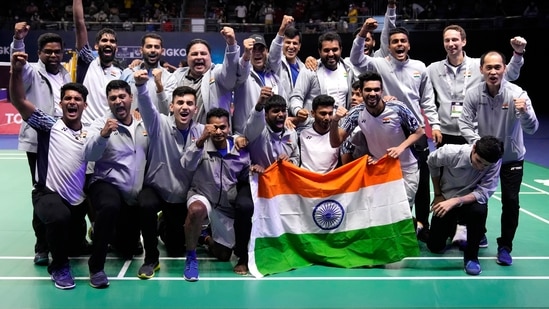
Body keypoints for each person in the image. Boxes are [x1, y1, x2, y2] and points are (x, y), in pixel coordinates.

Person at [426, 25, 526, 247]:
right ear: (443, 43)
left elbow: (508, 75)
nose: (451, 44)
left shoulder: (478, 66)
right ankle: (447, 226)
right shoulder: (433, 69)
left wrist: (517, 55)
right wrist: (433, 123)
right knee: (449, 183)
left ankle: (474, 230)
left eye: (455, 39)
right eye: (447, 40)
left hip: (473, 137)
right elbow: (423, 95)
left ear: (464, 41)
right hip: (445, 133)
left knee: (477, 181)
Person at [350, 22, 438, 242]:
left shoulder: (420, 67)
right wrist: (362, 33)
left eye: (403, 41)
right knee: (391, 179)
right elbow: (356, 59)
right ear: (388, 46)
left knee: (421, 180)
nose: (399, 44)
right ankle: (397, 223)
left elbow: (427, 99)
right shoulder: (378, 64)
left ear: (408, 45)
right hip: (391, 125)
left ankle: (421, 224)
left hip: (415, 129)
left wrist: (434, 125)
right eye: (394, 41)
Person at [10, 51, 89, 289]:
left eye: (77, 99)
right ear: (61, 103)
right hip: (48, 194)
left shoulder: (91, 130)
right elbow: (19, 101)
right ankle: (59, 267)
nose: (72, 102)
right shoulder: (49, 124)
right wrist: (15, 71)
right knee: (57, 217)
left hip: (78, 199)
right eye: (68, 98)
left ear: (85, 104)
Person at [458, 50, 539, 267]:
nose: (493, 72)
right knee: (478, 201)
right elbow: (464, 123)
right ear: (481, 69)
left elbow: (532, 129)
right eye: (489, 67)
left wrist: (525, 113)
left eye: (497, 67)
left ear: (504, 69)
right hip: (485, 159)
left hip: (512, 158)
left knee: (511, 202)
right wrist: (479, 145)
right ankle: (479, 234)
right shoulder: (474, 94)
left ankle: (505, 246)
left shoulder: (518, 93)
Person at [9, 22, 75, 266]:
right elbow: (17, 64)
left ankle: (63, 239)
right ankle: (42, 245)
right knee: (42, 193)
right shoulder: (31, 71)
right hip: (39, 142)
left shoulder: (66, 74)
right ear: (40, 53)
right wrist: (18, 39)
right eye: (48, 51)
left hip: (63, 142)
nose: (53, 55)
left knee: (64, 192)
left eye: (57, 51)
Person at [133, 68, 205, 277]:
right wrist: (140, 86)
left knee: (175, 247)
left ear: (195, 108)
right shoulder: (159, 123)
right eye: (180, 103)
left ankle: (164, 224)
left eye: (189, 103)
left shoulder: (201, 131)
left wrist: (237, 138)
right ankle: (151, 259)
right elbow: (146, 107)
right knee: (145, 203)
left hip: (181, 197)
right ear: (171, 106)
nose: (184, 107)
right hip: (157, 188)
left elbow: (225, 134)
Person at [180, 108, 261, 282]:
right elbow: (186, 164)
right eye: (214, 127)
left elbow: (244, 179)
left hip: (226, 207)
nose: (218, 131)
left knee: (223, 255)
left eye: (222, 127)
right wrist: (201, 139)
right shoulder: (199, 145)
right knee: (196, 210)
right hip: (203, 196)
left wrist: (253, 171)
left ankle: (205, 238)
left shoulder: (240, 149)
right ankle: (191, 258)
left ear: (229, 128)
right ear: (207, 127)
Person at [84, 80, 149, 288]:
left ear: (131, 98)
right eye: (113, 98)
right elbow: (89, 154)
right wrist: (103, 135)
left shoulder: (143, 123)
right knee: (110, 206)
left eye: (122, 97)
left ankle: (104, 231)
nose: (118, 101)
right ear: (108, 102)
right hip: (105, 183)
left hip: (132, 193)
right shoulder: (99, 123)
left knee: (128, 249)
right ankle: (96, 267)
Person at [329, 71, 424, 210]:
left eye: (376, 89)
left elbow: (419, 131)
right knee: (384, 212)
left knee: (403, 212)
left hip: (406, 168)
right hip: (380, 168)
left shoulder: (397, 108)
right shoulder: (357, 113)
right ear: (361, 91)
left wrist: (400, 148)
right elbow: (335, 143)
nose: (372, 93)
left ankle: (416, 228)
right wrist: (335, 121)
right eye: (368, 90)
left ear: (382, 90)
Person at [427, 136, 504, 276]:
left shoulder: (494, 162)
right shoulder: (450, 152)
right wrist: (438, 194)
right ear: (474, 148)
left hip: (470, 200)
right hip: (446, 197)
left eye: (485, 165)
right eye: (478, 161)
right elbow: (432, 163)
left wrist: (456, 201)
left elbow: (483, 192)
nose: (481, 167)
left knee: (479, 210)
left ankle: (471, 257)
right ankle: (455, 228)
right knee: (435, 247)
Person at [232, 15, 293, 135]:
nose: (258, 52)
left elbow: (276, 55)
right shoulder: (242, 75)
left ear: (267, 52)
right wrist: (246, 55)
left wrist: (281, 31)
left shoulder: (273, 76)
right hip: (246, 134)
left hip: (271, 133)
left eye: (261, 49)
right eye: (253, 49)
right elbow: (242, 66)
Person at [172, 27, 242, 124]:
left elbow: (229, 72)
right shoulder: (177, 76)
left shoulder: (217, 73)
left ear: (210, 57)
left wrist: (231, 45)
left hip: (213, 136)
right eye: (194, 54)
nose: (199, 57)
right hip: (182, 136)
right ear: (187, 58)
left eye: (203, 53)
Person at [288, 31, 355, 133]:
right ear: (319, 51)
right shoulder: (310, 70)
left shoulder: (348, 70)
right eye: (326, 50)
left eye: (335, 50)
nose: (331, 54)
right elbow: (296, 96)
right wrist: (298, 110)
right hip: (314, 129)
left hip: (339, 129)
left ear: (341, 49)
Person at [73, 0, 124, 126]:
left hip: (111, 129)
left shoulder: (121, 72)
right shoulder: (87, 61)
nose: (108, 43)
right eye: (104, 40)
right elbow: (80, 25)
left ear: (116, 48)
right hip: (86, 127)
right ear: (96, 46)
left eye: (112, 41)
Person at [120, 32, 177, 116]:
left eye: (156, 47)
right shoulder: (128, 72)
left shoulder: (170, 78)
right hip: (131, 126)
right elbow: (118, 101)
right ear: (141, 50)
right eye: (149, 46)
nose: (153, 50)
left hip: (157, 127)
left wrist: (159, 85)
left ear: (162, 51)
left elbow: (167, 111)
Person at [244, 90, 300, 168]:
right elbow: (254, 122)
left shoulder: (291, 132)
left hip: (283, 178)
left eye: (283, 110)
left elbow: (295, 157)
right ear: (266, 115)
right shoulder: (258, 132)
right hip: (260, 177)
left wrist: (290, 162)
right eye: (276, 111)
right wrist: (259, 105)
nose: (281, 114)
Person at [299, 94, 339, 173]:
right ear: (313, 113)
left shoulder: (338, 135)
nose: (327, 118)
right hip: (306, 181)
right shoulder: (301, 134)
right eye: (323, 113)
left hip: (330, 181)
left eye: (330, 113)